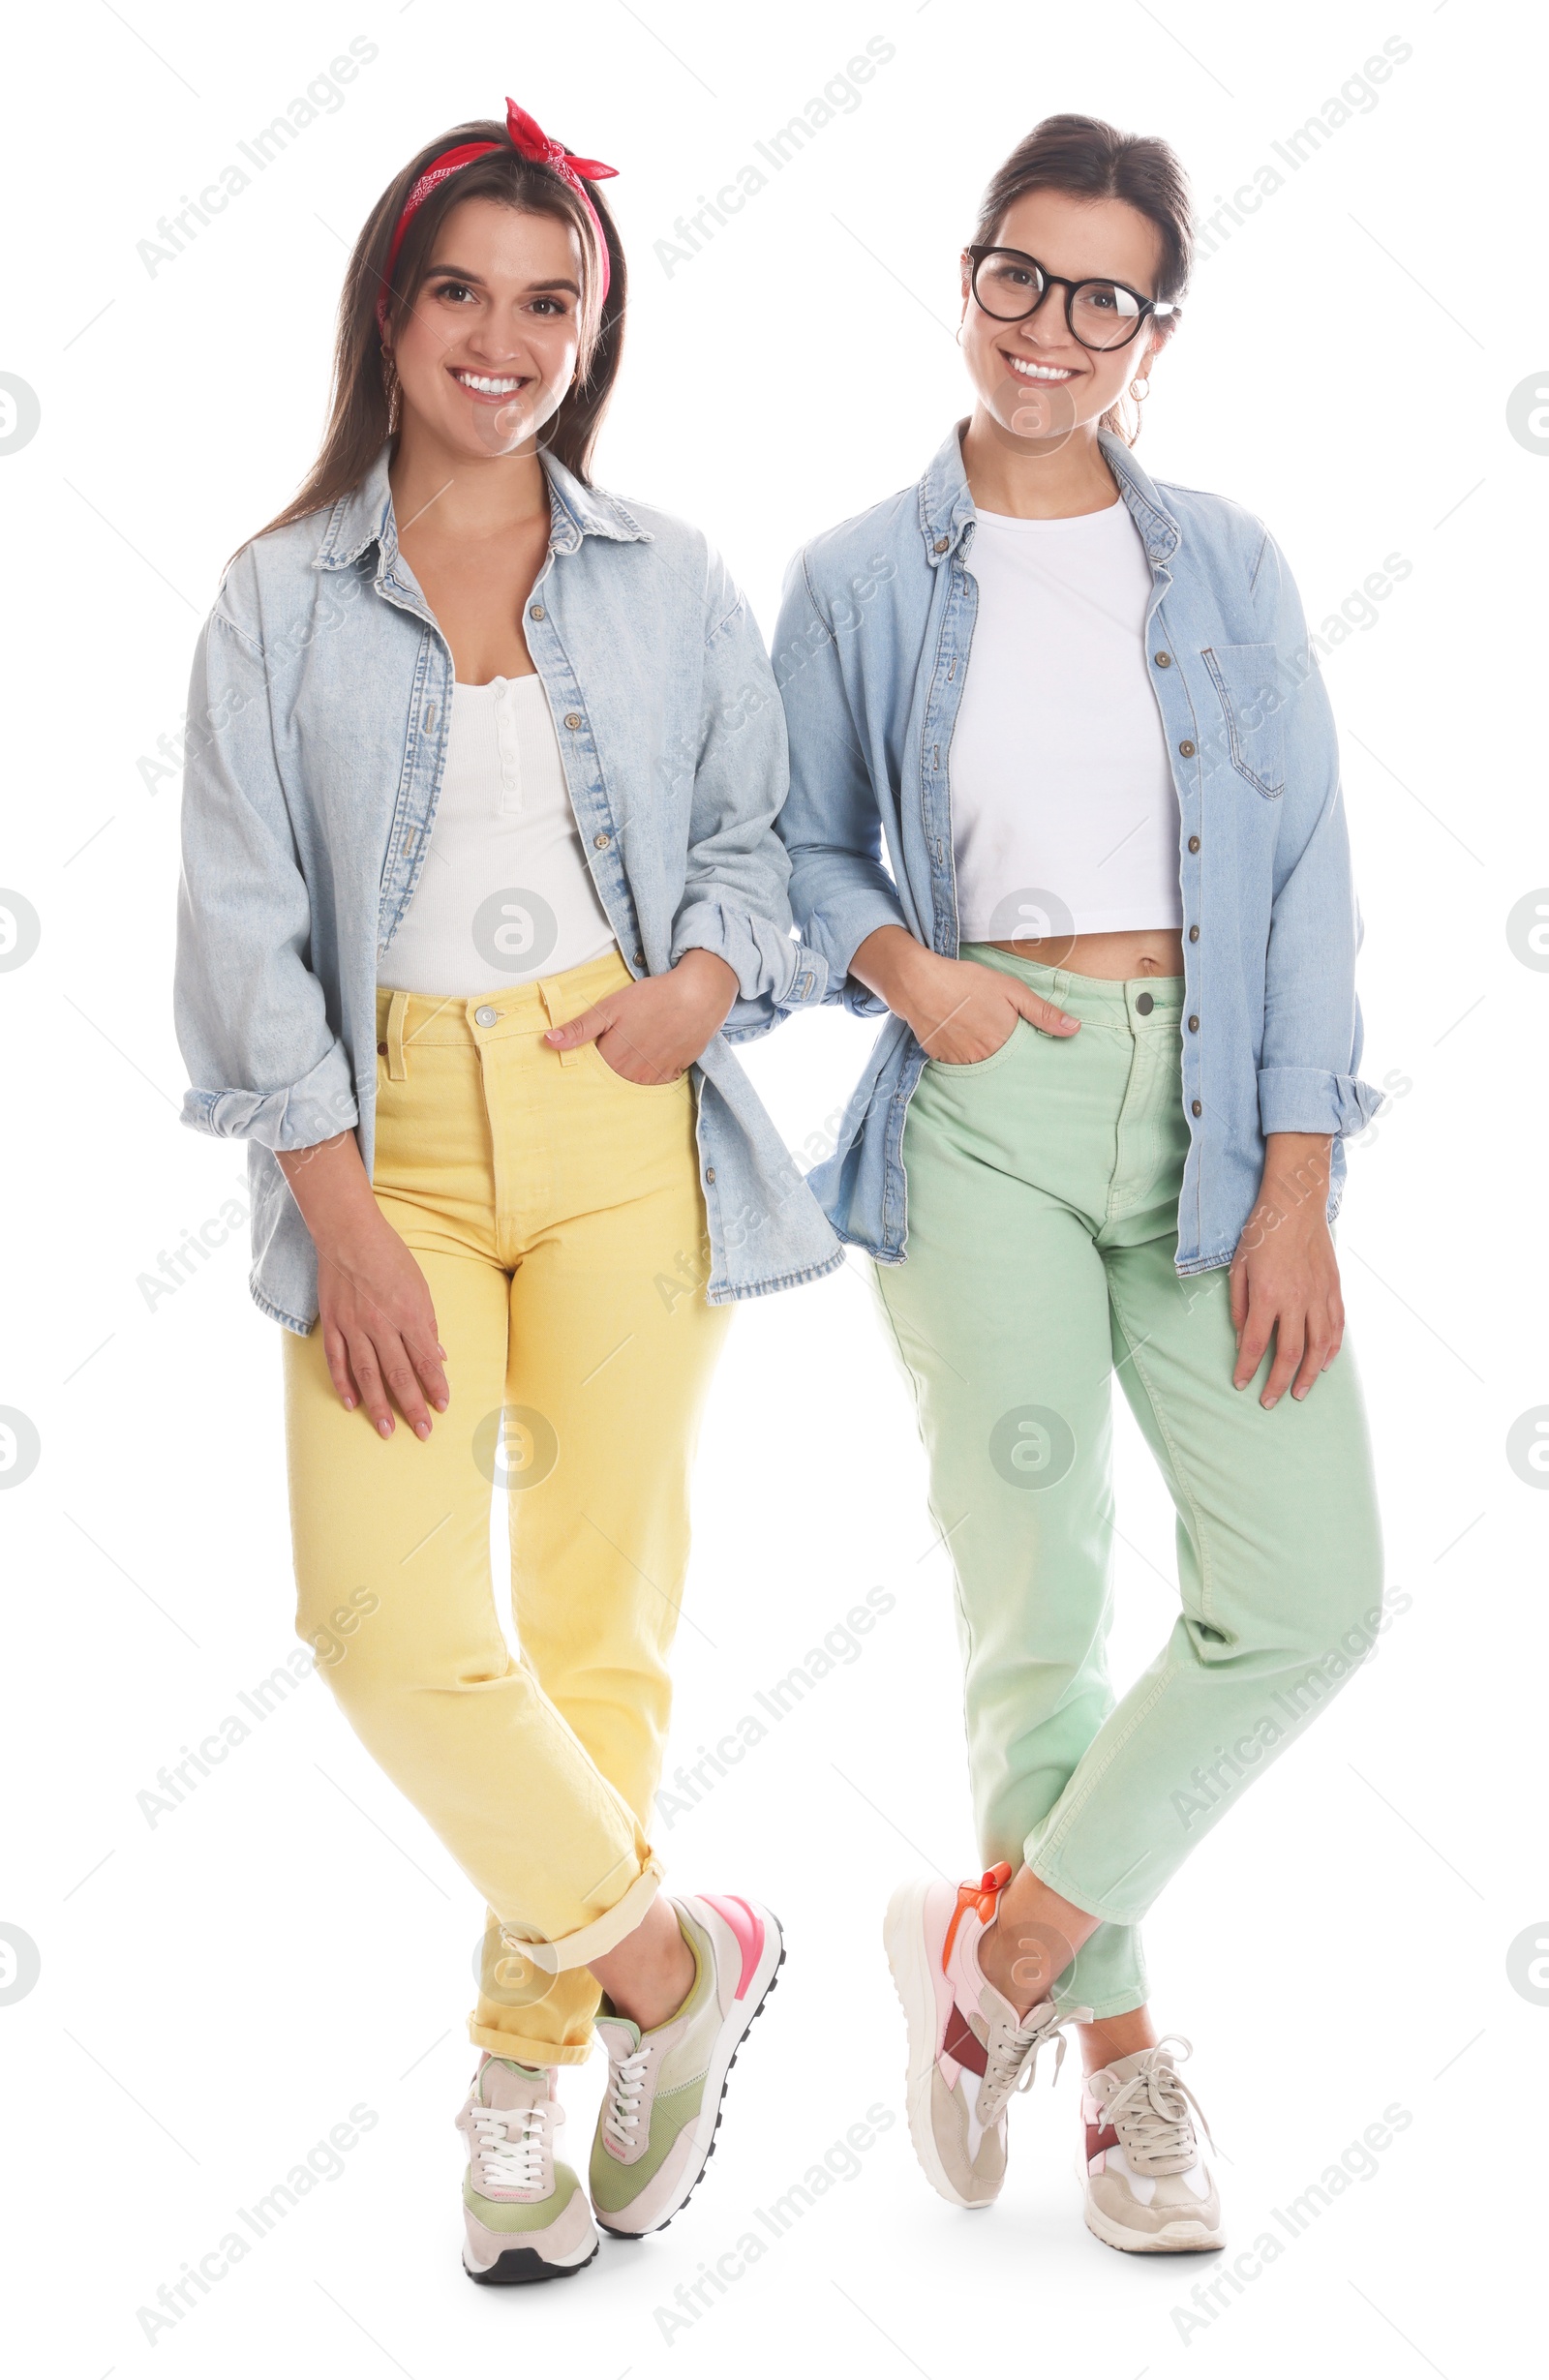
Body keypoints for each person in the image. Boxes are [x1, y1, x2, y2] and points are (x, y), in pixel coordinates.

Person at [173, 98, 836, 2284]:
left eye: (549, 300)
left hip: (619, 1121)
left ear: (595, 326)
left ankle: (519, 2080)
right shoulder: (277, 598)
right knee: (379, 1628)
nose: (502, 336)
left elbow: (763, 846)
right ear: (390, 303)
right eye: (460, 289)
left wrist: (696, 993)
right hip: (393, 1154)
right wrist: (343, 1218)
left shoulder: (666, 579)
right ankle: (671, 1961)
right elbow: (243, 924)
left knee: (587, 1631)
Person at [774, 113, 1384, 2252]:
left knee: (1307, 1595)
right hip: (986, 1106)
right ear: (969, 276)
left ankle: (1001, 1957)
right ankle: (1123, 2076)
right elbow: (787, 853)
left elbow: (1302, 882)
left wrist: (1295, 1177)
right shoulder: (863, 572)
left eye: (1098, 294)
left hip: (1215, 1122)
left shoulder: (1223, 562)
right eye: (1014, 274)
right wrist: (903, 972)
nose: (1045, 326)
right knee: (1038, 1592)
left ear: (1154, 332)